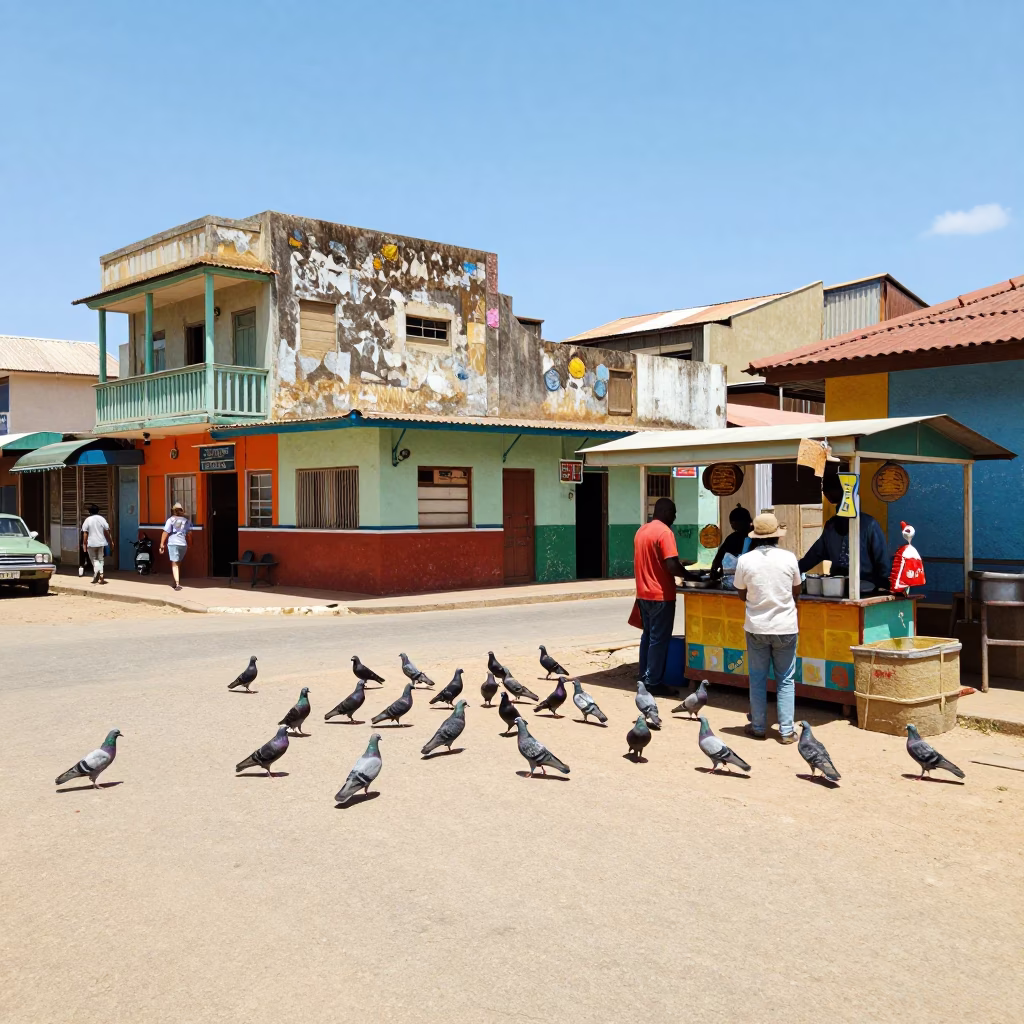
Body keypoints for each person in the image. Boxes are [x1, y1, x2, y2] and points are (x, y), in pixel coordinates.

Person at [733, 512, 802, 743]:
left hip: (756, 627)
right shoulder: (789, 558)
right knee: (785, 680)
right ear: (777, 536)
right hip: (786, 627)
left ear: (755, 536)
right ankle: (786, 731)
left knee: (758, 678)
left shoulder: (745, 560)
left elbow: (741, 594)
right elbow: (797, 590)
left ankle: (759, 727)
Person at [634, 497, 694, 697]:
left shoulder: (642, 530)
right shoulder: (665, 533)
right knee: (659, 640)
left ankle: (644, 677)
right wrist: (689, 575)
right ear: (666, 512)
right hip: (661, 595)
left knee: (648, 637)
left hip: (643, 593)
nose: (675, 517)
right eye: (673, 512)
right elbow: (671, 565)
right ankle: (653, 682)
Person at [798, 474, 889, 592]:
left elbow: (882, 562)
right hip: (836, 586)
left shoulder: (869, 525)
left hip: (866, 586)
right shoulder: (831, 526)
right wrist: (796, 569)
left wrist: (884, 586)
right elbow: (815, 555)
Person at [709, 504, 753, 585]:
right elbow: (719, 557)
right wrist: (715, 570)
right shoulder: (733, 537)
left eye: (733, 523)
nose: (733, 526)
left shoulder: (755, 538)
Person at [160, 502, 192, 591]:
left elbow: (165, 532)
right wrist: (189, 544)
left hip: (173, 543)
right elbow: (189, 534)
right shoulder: (186, 521)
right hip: (183, 543)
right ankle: (175, 581)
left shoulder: (171, 520)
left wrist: (161, 544)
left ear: (173, 511)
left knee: (174, 563)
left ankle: (177, 584)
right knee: (178, 563)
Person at [80, 504, 112, 585]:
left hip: (91, 543)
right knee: (100, 559)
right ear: (98, 511)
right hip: (101, 542)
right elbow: (107, 531)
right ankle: (100, 574)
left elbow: (85, 533)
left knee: (94, 560)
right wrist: (110, 541)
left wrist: (84, 543)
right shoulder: (102, 519)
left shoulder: (88, 520)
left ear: (89, 512)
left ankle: (97, 572)